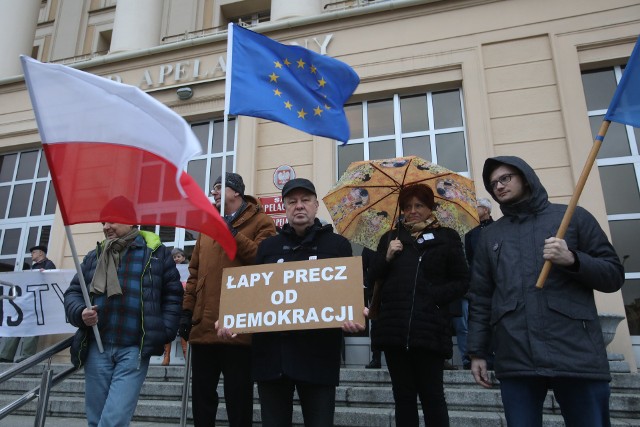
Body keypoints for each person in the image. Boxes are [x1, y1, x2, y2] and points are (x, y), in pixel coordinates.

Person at [467, 156, 625, 427]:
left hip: (575, 353)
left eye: (506, 178)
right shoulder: (491, 236)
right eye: (493, 184)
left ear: (525, 177)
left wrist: (573, 259)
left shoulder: (572, 217)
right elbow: (481, 297)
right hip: (516, 354)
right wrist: (477, 352)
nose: (499, 186)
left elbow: (613, 275)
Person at [241, 178, 362, 427]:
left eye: (305, 200)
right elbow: (254, 296)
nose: (299, 206)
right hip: (273, 361)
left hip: (318, 359)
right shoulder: (267, 248)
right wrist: (234, 316)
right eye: (292, 201)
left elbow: (347, 295)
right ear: (284, 207)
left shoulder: (337, 246)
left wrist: (353, 313)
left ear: (316, 206)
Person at [366, 183, 469, 427]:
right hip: (394, 331)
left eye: (419, 206)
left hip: (430, 329)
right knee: (403, 398)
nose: (412, 211)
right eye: (407, 206)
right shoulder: (389, 238)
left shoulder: (447, 237)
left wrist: (433, 296)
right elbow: (370, 278)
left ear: (429, 208)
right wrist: (387, 257)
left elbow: (463, 280)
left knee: (432, 397)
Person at [180, 172, 277, 427]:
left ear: (236, 192)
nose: (214, 192)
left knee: (238, 398)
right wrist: (187, 310)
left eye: (219, 187)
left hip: (239, 327)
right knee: (202, 398)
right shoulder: (206, 225)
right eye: (213, 188)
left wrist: (231, 233)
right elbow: (194, 273)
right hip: (204, 326)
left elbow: (262, 259)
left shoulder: (262, 221)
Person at [63, 222, 182, 427]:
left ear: (129, 221)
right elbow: (74, 292)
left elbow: (172, 295)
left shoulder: (155, 253)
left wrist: (165, 331)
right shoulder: (95, 255)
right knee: (96, 419)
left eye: (112, 221)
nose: (106, 227)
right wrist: (80, 312)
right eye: (103, 223)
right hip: (97, 346)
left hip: (134, 349)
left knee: (114, 420)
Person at [451, 197, 495, 370]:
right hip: (476, 282)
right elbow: (469, 257)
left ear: (486, 210)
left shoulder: (496, 228)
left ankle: (493, 355)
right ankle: (473, 357)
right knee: (471, 321)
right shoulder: (471, 232)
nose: (474, 210)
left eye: (477, 207)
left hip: (494, 281)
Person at [0, 245, 57, 363]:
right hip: (27, 302)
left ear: (41, 253)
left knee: (31, 329)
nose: (31, 255)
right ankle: (6, 355)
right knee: (18, 326)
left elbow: (52, 278)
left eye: (34, 252)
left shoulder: (49, 264)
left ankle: (27, 355)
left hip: (37, 303)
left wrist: (45, 273)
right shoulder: (33, 267)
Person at [162, 247, 189, 365]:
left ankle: (186, 355)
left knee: (184, 328)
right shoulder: (170, 269)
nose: (176, 259)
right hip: (172, 303)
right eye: (174, 257)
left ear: (184, 257)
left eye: (178, 256)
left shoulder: (189, 269)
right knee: (168, 328)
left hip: (185, 303)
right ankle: (166, 356)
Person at [362, 246, 381, 369]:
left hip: (394, 292)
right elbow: (362, 268)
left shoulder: (397, 245)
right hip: (374, 293)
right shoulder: (369, 249)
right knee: (376, 326)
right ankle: (376, 358)